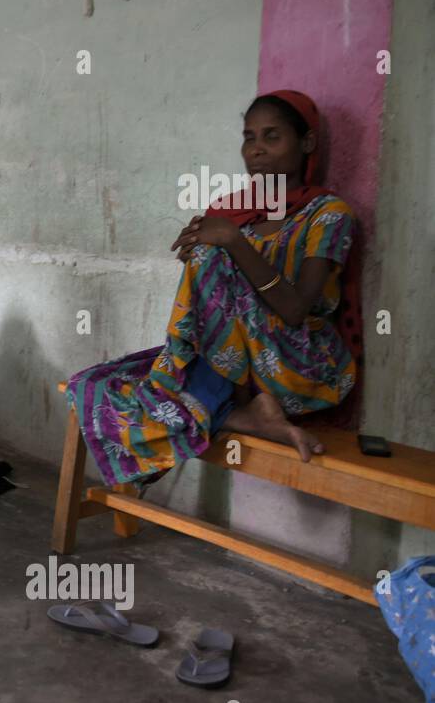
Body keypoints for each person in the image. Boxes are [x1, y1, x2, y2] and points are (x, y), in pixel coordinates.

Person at [66, 90, 362, 486]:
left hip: (301, 367)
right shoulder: (236, 211)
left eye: (272, 137)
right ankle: (241, 412)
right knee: (93, 382)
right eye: (249, 137)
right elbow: (208, 308)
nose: (257, 150)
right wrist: (210, 245)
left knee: (211, 256)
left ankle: (194, 406)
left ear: (306, 143)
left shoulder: (328, 215)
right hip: (239, 368)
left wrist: (232, 243)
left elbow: (294, 311)